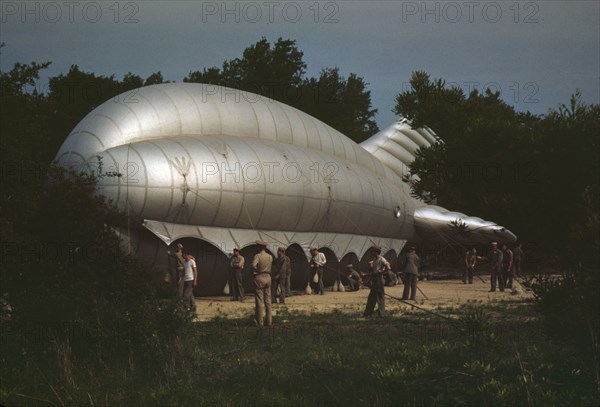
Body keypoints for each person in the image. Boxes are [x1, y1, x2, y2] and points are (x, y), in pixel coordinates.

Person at [252, 240, 273, 326]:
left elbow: (253, 265)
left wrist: (256, 270)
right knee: (268, 300)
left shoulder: (257, 256)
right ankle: (269, 321)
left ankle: (260, 322)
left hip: (259, 276)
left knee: (259, 300)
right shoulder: (269, 256)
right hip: (268, 277)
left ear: (259, 247)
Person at [363, 246, 388, 317]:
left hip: (379, 279)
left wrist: (382, 272)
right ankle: (367, 313)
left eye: (373, 252)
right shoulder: (374, 259)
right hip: (374, 279)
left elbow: (388, 267)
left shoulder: (382, 259)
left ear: (376, 252)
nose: (372, 253)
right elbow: (374, 270)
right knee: (371, 297)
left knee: (380, 297)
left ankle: (382, 314)